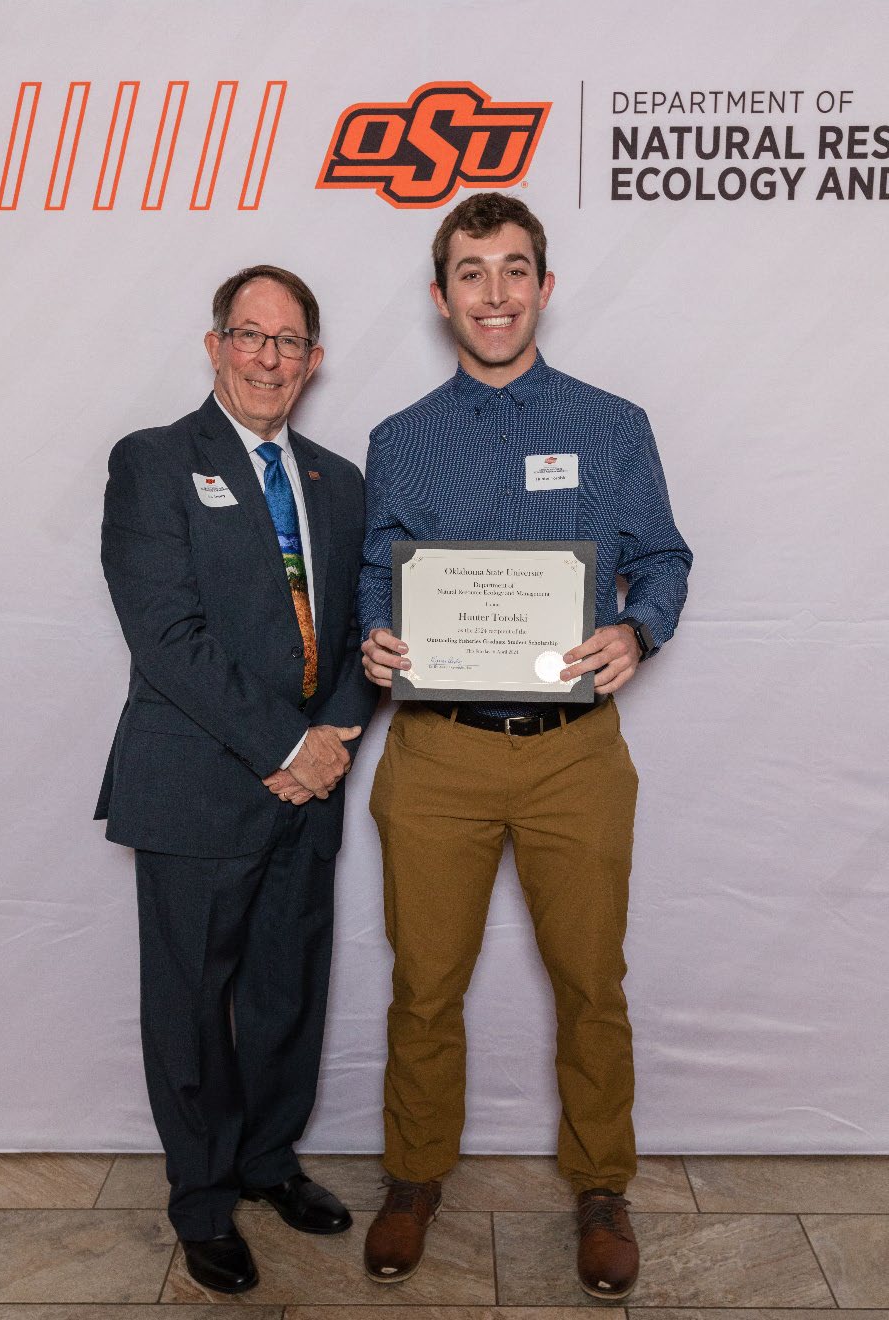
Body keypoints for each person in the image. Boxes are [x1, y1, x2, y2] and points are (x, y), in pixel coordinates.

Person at [358, 193, 692, 1299]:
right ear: (440, 293)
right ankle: (413, 1179)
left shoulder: (612, 424)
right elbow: (377, 574)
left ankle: (601, 1189)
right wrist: (376, 637)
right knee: (425, 985)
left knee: (591, 981)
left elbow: (665, 558)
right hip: (439, 755)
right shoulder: (400, 440)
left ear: (543, 287)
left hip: (572, 754)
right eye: (470, 272)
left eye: (512, 270)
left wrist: (637, 626)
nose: (492, 293)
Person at [95, 265, 377, 1294]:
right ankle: (203, 1198)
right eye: (249, 335)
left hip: (312, 787)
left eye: (289, 340)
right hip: (198, 786)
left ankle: (266, 1162)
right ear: (214, 345)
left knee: (284, 991)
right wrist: (286, 746)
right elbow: (167, 638)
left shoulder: (341, 483)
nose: (269, 357)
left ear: (313, 359)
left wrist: (336, 729)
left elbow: (359, 626)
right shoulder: (155, 463)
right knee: (190, 1003)